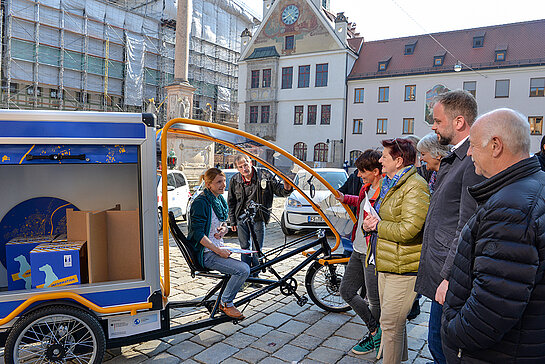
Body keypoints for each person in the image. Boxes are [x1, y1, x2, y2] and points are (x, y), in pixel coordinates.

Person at [442, 108, 545, 362]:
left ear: (495, 146)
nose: (468, 153)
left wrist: (453, 332)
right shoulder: (532, 186)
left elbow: (492, 309)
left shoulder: (511, 209)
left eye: (474, 145)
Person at [414, 90, 484, 364]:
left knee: (440, 345)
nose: (433, 126)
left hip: (450, 277)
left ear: (458, 122)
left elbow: (466, 226)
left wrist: (447, 277)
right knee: (437, 343)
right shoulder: (458, 157)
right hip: (442, 271)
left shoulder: (470, 161)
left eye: (437, 121)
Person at [362, 138, 430, 363]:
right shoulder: (393, 182)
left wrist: (378, 226)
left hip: (404, 268)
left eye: (384, 156)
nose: (380, 160)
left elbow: (409, 229)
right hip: (389, 263)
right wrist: (371, 222)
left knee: (390, 324)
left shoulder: (415, 186)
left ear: (399, 161)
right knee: (392, 324)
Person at [336, 150, 383, 355]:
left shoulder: (386, 193)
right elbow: (362, 203)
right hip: (357, 249)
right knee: (346, 291)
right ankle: (375, 331)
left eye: (362, 171)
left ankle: (376, 336)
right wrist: (345, 198)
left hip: (372, 252)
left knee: (374, 300)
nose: (358, 175)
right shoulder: (367, 187)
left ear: (375, 171)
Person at [187, 168, 250, 319]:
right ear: (208, 184)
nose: (223, 185)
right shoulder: (200, 203)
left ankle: (226, 297)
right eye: (219, 182)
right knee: (243, 270)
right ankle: (226, 303)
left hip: (217, 247)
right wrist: (218, 251)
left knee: (248, 259)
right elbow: (198, 234)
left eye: (224, 181)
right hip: (206, 254)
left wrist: (223, 229)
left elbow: (221, 223)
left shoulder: (219, 199)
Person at [228, 154, 292, 279]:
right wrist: (232, 221)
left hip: (259, 217)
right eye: (240, 167)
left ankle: (255, 274)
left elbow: (280, 191)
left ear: (250, 163)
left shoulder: (265, 174)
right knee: (244, 248)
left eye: (245, 165)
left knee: (257, 248)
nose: (244, 169)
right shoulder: (235, 179)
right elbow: (231, 201)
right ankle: (246, 275)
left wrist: (286, 187)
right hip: (241, 218)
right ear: (237, 169)